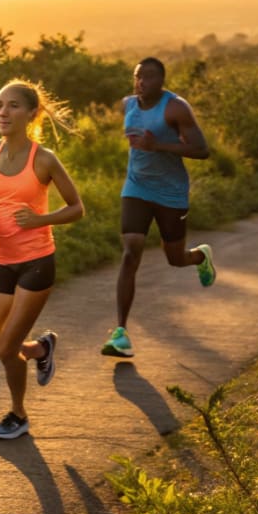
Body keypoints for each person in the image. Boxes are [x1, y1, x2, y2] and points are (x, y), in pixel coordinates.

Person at [0, 80, 84, 440]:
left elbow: (76, 208)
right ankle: (39, 348)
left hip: (36, 262)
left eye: (13, 106)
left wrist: (40, 220)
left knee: (6, 347)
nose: (3, 112)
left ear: (32, 113)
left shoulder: (44, 159)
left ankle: (18, 415)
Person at [101, 57, 215, 358]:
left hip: (170, 193)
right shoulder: (128, 105)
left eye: (149, 77)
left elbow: (202, 150)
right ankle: (120, 333)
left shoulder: (176, 108)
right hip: (136, 187)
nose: (142, 82)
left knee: (175, 258)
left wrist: (158, 146)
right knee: (131, 251)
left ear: (161, 80)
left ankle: (200, 256)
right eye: (138, 76)